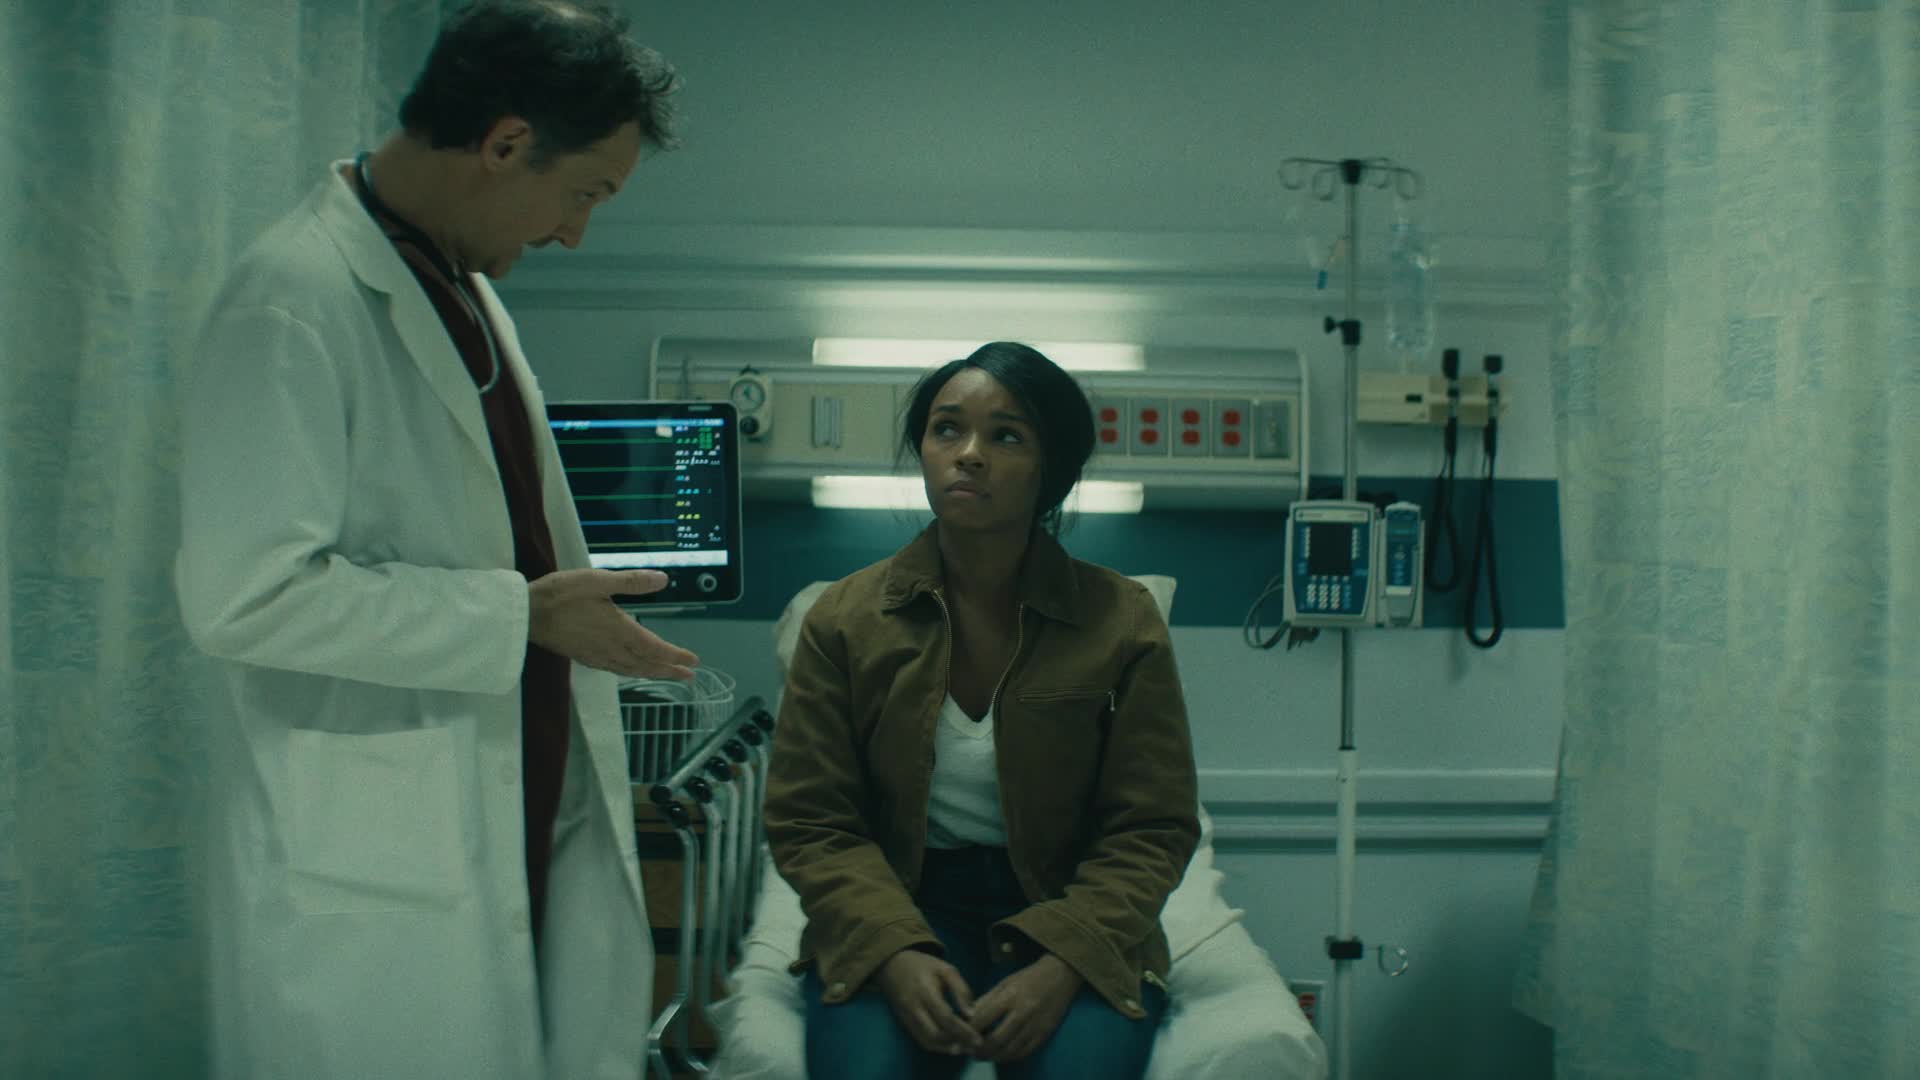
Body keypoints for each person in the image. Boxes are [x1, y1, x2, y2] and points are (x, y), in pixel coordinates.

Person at [173, 3, 699, 1076]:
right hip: (375, 867)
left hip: (500, 814)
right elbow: (243, 596)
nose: (575, 235)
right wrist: (521, 617)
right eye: (585, 193)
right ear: (505, 145)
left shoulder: (452, 283)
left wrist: (546, 621)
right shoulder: (292, 300)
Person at [763, 342, 1201, 1079]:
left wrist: (1066, 961)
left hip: (1068, 905)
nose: (968, 454)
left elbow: (1152, 826)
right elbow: (812, 821)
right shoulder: (844, 620)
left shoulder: (1122, 622)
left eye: (1006, 435)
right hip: (901, 900)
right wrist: (892, 950)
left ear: (1050, 468)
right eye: (947, 429)